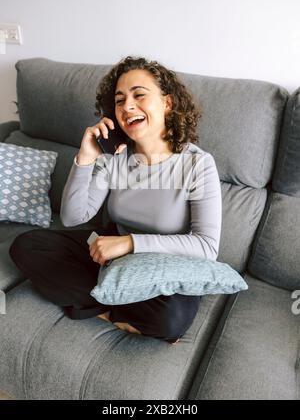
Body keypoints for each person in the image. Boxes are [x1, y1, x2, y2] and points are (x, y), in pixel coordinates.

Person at [9, 56, 222, 345]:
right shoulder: (116, 156)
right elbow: (73, 217)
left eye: (139, 95)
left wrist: (130, 242)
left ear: (167, 103)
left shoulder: (198, 164)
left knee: (171, 319)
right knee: (27, 246)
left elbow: (206, 246)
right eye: (120, 100)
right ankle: (114, 309)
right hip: (112, 255)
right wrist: (85, 158)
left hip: (166, 265)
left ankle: (94, 303)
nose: (127, 106)